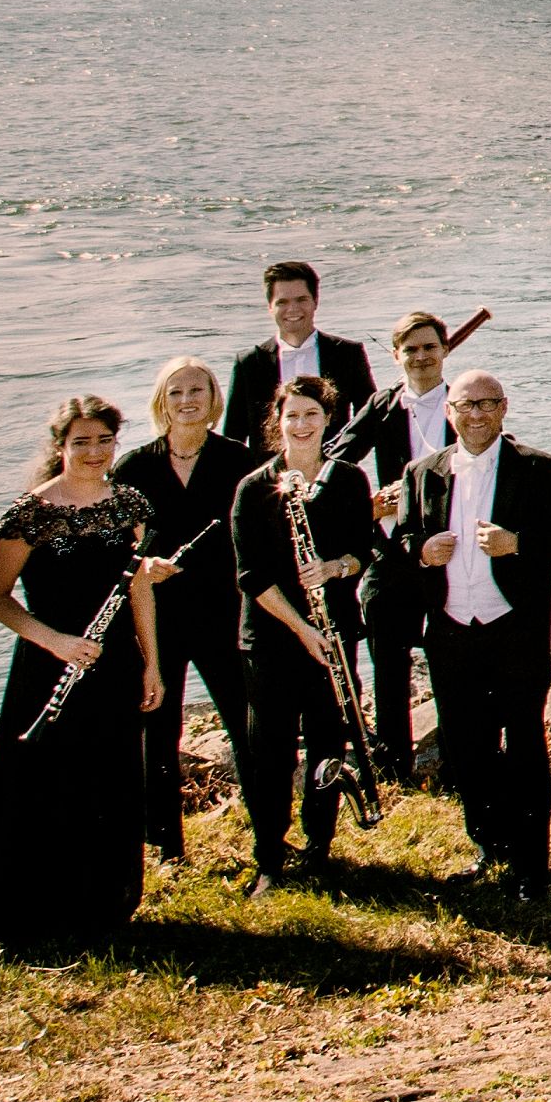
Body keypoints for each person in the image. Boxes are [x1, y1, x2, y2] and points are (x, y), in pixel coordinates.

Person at [0, 397, 162, 955]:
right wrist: (55, 642)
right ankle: (40, 908)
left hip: (112, 663)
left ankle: (100, 905)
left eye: (105, 441)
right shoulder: (29, 513)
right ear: (60, 445)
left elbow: (138, 589)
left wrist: (152, 662)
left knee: (109, 779)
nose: (95, 453)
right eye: (82, 442)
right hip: (48, 664)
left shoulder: (129, 503)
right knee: (44, 782)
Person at [397, 370, 551, 893]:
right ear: (449, 411)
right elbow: (402, 537)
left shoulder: (539, 468)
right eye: (465, 405)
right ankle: (489, 846)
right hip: (451, 630)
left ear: (504, 408)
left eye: (486, 404)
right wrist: (421, 551)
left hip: (514, 630)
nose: (476, 414)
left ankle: (530, 867)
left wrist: (517, 543)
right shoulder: (422, 472)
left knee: (524, 745)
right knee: (466, 747)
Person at [229, 377, 370, 888]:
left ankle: (319, 847)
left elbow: (364, 551)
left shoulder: (348, 480)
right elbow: (251, 577)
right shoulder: (254, 488)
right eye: (292, 415)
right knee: (270, 750)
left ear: (328, 419)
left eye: (312, 414)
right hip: (272, 639)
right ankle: (269, 859)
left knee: (328, 744)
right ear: (278, 421)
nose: (302, 424)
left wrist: (334, 568)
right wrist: (303, 629)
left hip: (333, 635)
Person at [116, 355, 253, 866]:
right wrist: (143, 564)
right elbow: (117, 552)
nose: (187, 400)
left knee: (245, 724)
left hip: (226, 613)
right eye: (175, 392)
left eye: (197, 390)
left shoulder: (240, 461)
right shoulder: (134, 468)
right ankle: (166, 847)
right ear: (161, 402)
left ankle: (267, 834)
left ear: (214, 399)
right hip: (158, 619)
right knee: (158, 729)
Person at [335, 310, 461, 783]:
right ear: (395, 356)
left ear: (444, 350)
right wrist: (366, 502)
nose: (421, 357)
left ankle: (458, 764)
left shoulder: (464, 399)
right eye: (411, 349)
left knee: (451, 660)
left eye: (429, 347)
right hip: (391, 550)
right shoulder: (383, 405)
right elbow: (333, 462)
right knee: (387, 660)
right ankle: (393, 770)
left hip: (450, 551)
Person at [225, 260, 375, 445]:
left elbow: (370, 421)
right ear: (270, 307)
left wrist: (343, 458)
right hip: (270, 464)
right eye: (282, 302)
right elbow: (233, 436)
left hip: (333, 462)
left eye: (301, 299)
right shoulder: (249, 363)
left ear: (315, 302)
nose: (292, 309)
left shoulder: (347, 354)